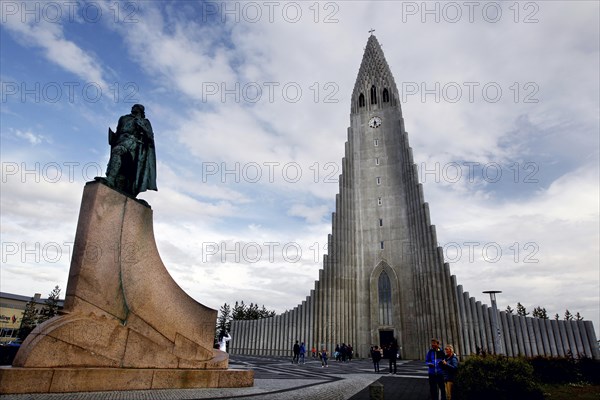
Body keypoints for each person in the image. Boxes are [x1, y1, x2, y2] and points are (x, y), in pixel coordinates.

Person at [105, 104, 157, 198]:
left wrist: (142, 126)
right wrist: (113, 138)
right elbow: (118, 131)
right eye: (134, 107)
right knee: (124, 170)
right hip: (120, 139)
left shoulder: (144, 121)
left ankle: (111, 179)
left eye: (137, 108)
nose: (135, 109)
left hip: (133, 142)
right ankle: (118, 184)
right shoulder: (123, 118)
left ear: (141, 111)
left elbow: (150, 136)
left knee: (118, 151)